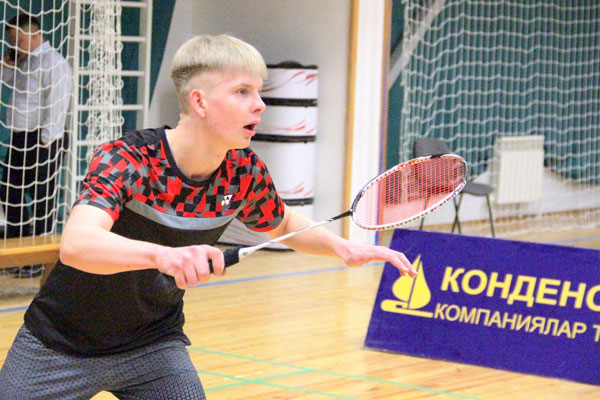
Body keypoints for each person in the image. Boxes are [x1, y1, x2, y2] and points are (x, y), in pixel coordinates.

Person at [0, 34, 417, 399]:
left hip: (152, 345)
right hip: (60, 344)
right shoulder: (130, 159)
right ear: (199, 101)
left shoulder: (243, 171)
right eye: (242, 92)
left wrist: (343, 248)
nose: (260, 104)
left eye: (259, 92)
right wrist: (164, 256)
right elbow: (77, 245)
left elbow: (283, 223)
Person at [0, 13, 72, 278]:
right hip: (20, 137)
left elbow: (57, 104)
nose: (15, 46)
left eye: (18, 40)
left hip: (43, 139)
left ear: (33, 34)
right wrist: (7, 62)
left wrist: (46, 141)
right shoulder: (24, 61)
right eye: (12, 42)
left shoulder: (54, 62)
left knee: (43, 198)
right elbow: (5, 80)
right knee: (9, 190)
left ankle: (38, 260)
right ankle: (20, 249)